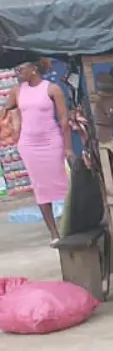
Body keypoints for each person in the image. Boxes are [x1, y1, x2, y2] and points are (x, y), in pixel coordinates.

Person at [2, 61, 71, 243]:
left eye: (20, 68)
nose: (17, 72)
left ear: (33, 69)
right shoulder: (17, 90)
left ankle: (71, 224)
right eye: (16, 69)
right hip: (29, 144)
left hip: (51, 141)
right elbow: (6, 110)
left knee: (62, 184)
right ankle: (54, 232)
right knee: (40, 187)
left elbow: (64, 119)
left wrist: (68, 147)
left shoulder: (52, 89)